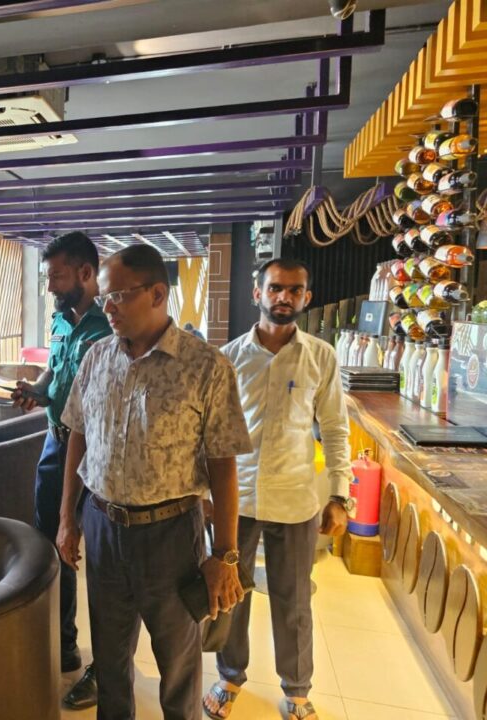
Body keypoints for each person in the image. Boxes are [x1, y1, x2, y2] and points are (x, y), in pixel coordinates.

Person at [56, 244, 253, 720]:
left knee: (178, 666)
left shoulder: (205, 366)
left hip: (171, 536)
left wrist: (225, 555)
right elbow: (78, 435)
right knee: (110, 659)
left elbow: (223, 465)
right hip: (103, 527)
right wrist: (67, 519)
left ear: (158, 294)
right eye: (104, 297)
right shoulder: (96, 358)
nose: (108, 307)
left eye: (118, 296)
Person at [204, 258, 351, 720]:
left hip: (295, 498)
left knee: (294, 602)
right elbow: (209, 433)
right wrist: (204, 494)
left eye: (294, 290)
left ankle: (297, 690)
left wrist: (339, 494)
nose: (284, 297)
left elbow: (335, 427)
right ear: (258, 293)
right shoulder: (229, 357)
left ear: (307, 297)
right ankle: (230, 677)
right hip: (238, 499)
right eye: (275, 288)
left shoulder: (320, 356)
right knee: (229, 596)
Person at [10, 231, 110, 709]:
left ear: (86, 274)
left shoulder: (108, 327)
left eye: (57, 276)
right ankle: (64, 642)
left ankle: (107, 664)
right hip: (56, 444)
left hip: (97, 454)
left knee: (103, 560)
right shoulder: (60, 320)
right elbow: (55, 373)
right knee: (54, 543)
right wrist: (37, 390)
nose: (49, 285)